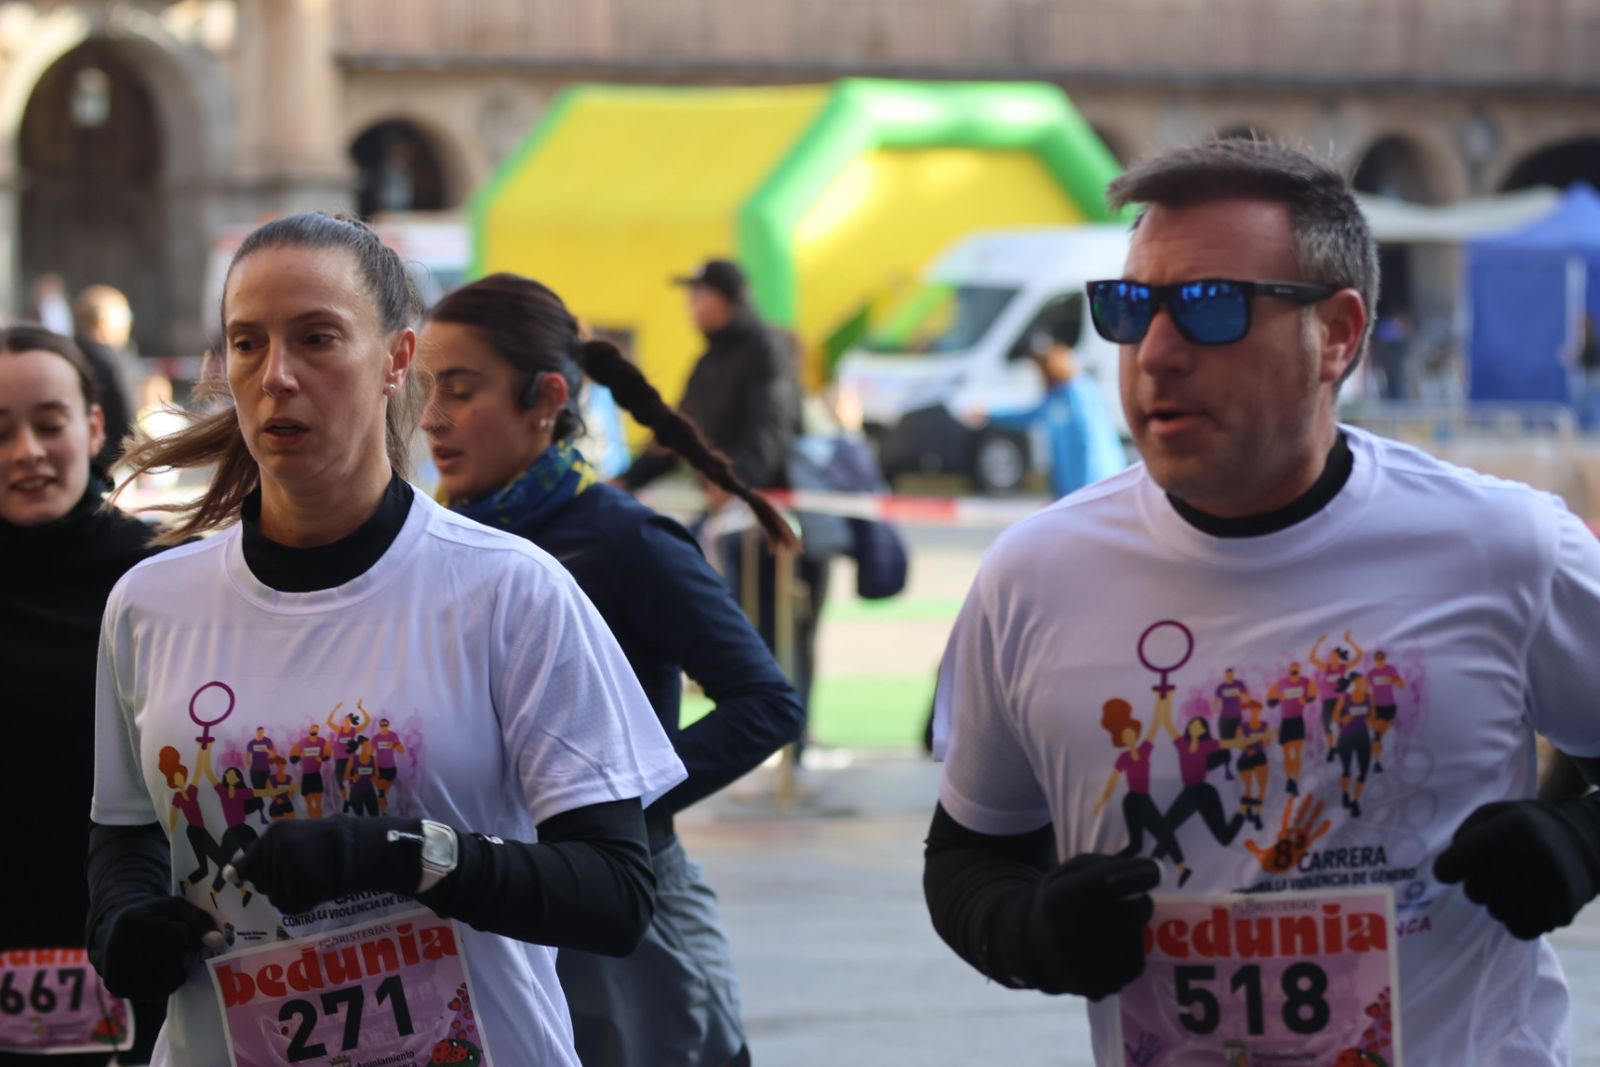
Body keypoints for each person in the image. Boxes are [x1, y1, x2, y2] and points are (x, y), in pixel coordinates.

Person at [924, 139, 1600, 1065]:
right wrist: (1026, 929)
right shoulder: (1033, 574)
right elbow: (968, 856)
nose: (1155, 355)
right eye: (1130, 308)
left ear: (1340, 334)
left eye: (1210, 308)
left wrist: (1579, 838)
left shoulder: (1507, 545)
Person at [88, 213, 686, 1067]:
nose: (277, 376)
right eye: (247, 344)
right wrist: (122, 920)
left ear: (397, 361)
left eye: (318, 338)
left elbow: (616, 893)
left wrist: (407, 855)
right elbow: (126, 830)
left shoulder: (509, 590)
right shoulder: (151, 603)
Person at [421, 272, 804, 1067]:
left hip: (628, 918)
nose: (432, 419)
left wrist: (610, 806)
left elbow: (767, 702)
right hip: (491, 898)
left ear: (547, 397)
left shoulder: (624, 539)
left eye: (460, 390)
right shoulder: (436, 539)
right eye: (426, 390)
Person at [0, 324, 162, 1064]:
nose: (26, 451)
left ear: (94, 427)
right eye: (0, 431)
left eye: (49, 423)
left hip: (144, 953)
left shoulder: (167, 578)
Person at [617, 259, 828, 735]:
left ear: (726, 300)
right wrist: (627, 479)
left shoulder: (765, 352)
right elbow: (676, 435)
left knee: (786, 639)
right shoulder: (710, 360)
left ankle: (793, 753)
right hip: (730, 526)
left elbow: (771, 431)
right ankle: (776, 754)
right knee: (747, 643)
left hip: (777, 525)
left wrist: (733, 485)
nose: (690, 306)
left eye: (699, 295)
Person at [986, 336, 1126, 499]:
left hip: (1096, 481)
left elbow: (1089, 440)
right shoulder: (1054, 396)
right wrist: (990, 415)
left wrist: (1086, 488)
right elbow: (1029, 416)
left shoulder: (1079, 391)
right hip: (1071, 486)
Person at [71, 284, 137, 470]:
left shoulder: (65, 355)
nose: (129, 324)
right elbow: (126, 414)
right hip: (112, 463)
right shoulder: (110, 362)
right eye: (126, 316)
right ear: (103, 321)